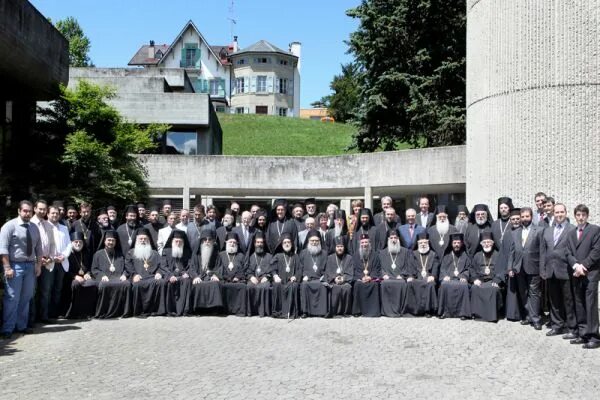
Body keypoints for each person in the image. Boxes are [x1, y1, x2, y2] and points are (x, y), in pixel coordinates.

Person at [0, 201, 43, 339]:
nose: (27, 213)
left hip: (30, 266)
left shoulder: (34, 227)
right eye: (25, 211)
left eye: (29, 211)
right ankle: (7, 328)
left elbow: (39, 249)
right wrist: (7, 267)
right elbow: (3, 249)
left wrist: (38, 266)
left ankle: (21, 326)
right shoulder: (9, 226)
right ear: (19, 211)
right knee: (12, 297)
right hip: (14, 266)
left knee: (26, 297)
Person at [540, 203, 578, 338]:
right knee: (554, 300)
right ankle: (557, 326)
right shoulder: (547, 230)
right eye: (556, 212)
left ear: (566, 213)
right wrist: (542, 269)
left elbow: (575, 251)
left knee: (568, 300)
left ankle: (572, 328)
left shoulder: (572, 229)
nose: (559, 215)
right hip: (550, 271)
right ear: (553, 214)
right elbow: (543, 251)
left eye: (561, 212)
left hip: (566, 270)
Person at [566, 204, 600, 349]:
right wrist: (575, 266)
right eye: (578, 215)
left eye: (583, 215)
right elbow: (568, 253)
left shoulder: (595, 230)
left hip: (590, 273)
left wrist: (583, 266)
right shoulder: (571, 233)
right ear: (575, 216)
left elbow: (596, 251)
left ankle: (594, 337)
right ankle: (583, 334)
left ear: (587, 216)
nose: (580, 218)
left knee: (590, 304)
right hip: (576, 272)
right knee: (579, 303)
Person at [507, 207, 543, 329]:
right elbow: (511, 251)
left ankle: (536, 319)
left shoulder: (539, 230)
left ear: (531, 217)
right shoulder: (515, 232)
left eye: (527, 216)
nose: (524, 219)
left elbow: (542, 252)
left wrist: (542, 268)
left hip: (534, 267)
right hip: (518, 268)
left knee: (534, 293)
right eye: (523, 217)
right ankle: (528, 316)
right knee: (523, 292)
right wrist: (510, 267)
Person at [39, 205, 71, 321]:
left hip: (62, 263)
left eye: (57, 213)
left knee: (58, 289)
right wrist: (50, 257)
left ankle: (54, 313)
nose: (55, 215)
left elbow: (69, 244)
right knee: (46, 289)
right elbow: (40, 245)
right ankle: (44, 315)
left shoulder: (64, 228)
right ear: (47, 214)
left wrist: (64, 256)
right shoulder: (42, 227)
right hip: (48, 263)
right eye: (52, 213)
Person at [126, 228, 167, 317]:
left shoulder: (155, 253)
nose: (143, 240)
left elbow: (161, 265)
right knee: (137, 285)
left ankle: (157, 310)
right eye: (141, 239)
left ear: (149, 240)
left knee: (161, 282)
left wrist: (159, 272)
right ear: (136, 240)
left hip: (152, 276)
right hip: (139, 277)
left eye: (145, 239)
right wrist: (134, 275)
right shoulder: (131, 252)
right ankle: (139, 311)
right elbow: (128, 266)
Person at [92, 230, 131, 319]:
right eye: (109, 240)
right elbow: (94, 269)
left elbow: (126, 268)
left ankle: (124, 312)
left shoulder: (120, 254)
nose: (111, 242)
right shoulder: (98, 254)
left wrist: (124, 274)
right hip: (105, 279)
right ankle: (104, 312)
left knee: (127, 284)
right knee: (104, 285)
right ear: (104, 241)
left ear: (116, 242)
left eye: (113, 240)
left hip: (118, 278)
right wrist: (102, 275)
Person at [470, 231, 504, 322]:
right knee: (474, 288)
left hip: (493, 280)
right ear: (481, 244)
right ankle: (477, 315)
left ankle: (492, 316)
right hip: (480, 280)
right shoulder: (477, 255)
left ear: (492, 243)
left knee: (493, 289)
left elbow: (502, 269)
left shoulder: (498, 254)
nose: (486, 244)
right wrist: (475, 279)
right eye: (484, 242)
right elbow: (472, 269)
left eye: (488, 242)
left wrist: (497, 280)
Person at [379, 230, 414, 317]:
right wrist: (383, 274)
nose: (393, 240)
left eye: (395, 238)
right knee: (384, 284)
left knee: (402, 283)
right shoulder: (382, 253)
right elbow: (379, 267)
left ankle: (400, 310)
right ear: (388, 239)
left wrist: (402, 275)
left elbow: (409, 266)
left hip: (400, 278)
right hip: (387, 278)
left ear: (398, 239)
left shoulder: (405, 252)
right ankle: (386, 311)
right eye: (391, 238)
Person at [437, 233, 471, 319]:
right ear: (451, 244)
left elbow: (468, 269)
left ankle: (463, 313)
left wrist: (464, 276)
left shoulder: (465, 256)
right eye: (454, 243)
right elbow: (442, 268)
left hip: (460, 279)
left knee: (464, 286)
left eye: (458, 243)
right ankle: (444, 312)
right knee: (444, 285)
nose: (456, 245)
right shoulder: (447, 255)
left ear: (461, 243)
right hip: (449, 278)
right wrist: (444, 276)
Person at [65, 231, 98, 319]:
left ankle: (88, 312)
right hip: (71, 278)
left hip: (85, 276)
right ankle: (74, 312)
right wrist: (75, 276)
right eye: (76, 242)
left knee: (93, 283)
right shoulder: (67, 254)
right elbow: (65, 270)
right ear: (71, 243)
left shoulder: (87, 253)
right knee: (76, 284)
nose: (78, 244)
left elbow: (92, 266)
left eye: (80, 242)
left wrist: (88, 273)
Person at [189, 229, 223, 313]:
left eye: (209, 239)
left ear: (212, 241)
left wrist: (215, 275)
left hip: (211, 276)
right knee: (197, 284)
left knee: (215, 284)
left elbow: (219, 267)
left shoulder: (216, 254)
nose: (207, 241)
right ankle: (198, 310)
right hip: (199, 276)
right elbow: (191, 268)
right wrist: (195, 277)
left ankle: (214, 309)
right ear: (201, 241)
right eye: (205, 239)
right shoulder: (196, 254)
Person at [406, 232, 439, 317]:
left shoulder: (433, 254)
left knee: (431, 284)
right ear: (418, 244)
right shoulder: (413, 254)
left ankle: (428, 310)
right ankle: (414, 310)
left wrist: (433, 276)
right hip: (417, 278)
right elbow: (410, 267)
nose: (423, 244)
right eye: (421, 243)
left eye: (425, 242)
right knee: (410, 283)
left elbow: (436, 266)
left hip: (429, 278)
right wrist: (410, 276)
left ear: (428, 243)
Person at [162, 229, 194, 316]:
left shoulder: (187, 252)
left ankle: (185, 310)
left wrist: (186, 273)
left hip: (183, 275)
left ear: (183, 242)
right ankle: (171, 310)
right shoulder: (166, 251)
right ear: (172, 241)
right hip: (170, 274)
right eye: (176, 241)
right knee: (169, 283)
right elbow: (163, 266)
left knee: (187, 281)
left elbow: (191, 265)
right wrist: (170, 275)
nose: (178, 243)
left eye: (180, 241)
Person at [270, 233, 302, 319]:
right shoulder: (277, 256)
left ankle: (291, 312)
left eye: (288, 242)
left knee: (295, 286)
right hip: (280, 280)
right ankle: (278, 312)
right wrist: (275, 276)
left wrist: (295, 276)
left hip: (290, 281)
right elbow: (272, 268)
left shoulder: (295, 256)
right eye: (285, 242)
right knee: (276, 285)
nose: (287, 244)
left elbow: (299, 269)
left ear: (292, 244)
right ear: (281, 244)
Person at [299, 230, 329, 318]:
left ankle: (322, 311)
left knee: (323, 286)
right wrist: (304, 276)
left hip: (320, 279)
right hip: (308, 279)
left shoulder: (324, 253)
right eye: (312, 241)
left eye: (316, 241)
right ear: (308, 241)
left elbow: (328, 268)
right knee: (304, 285)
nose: (314, 242)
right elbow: (300, 267)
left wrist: (324, 276)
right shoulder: (303, 253)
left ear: (320, 241)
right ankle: (305, 311)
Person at [351, 234, 381, 317]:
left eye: (366, 242)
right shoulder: (355, 256)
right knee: (357, 284)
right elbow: (354, 270)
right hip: (360, 279)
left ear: (369, 243)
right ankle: (358, 311)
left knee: (374, 284)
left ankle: (373, 311)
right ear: (360, 243)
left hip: (371, 279)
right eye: (362, 242)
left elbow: (377, 269)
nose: (364, 244)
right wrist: (362, 277)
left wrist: (370, 277)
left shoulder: (375, 255)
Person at [324, 236, 354, 317]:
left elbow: (351, 272)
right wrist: (335, 278)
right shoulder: (330, 258)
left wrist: (343, 278)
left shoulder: (349, 258)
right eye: (338, 246)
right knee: (335, 287)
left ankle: (346, 312)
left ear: (344, 247)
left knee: (347, 288)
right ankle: (335, 312)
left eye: (341, 246)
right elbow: (328, 271)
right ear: (335, 247)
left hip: (345, 281)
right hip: (334, 281)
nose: (339, 248)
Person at [219, 232, 247, 316]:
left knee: (242, 286)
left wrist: (238, 277)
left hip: (237, 280)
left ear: (237, 244)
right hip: (223, 279)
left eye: (234, 242)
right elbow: (217, 268)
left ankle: (239, 310)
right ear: (226, 242)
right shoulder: (220, 255)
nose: (232, 244)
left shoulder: (241, 255)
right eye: (230, 242)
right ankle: (222, 310)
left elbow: (244, 268)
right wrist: (225, 277)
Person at [246, 232, 273, 316]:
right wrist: (251, 277)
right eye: (258, 242)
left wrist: (267, 277)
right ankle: (252, 311)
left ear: (264, 244)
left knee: (264, 287)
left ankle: (263, 312)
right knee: (249, 286)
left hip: (265, 278)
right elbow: (247, 269)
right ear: (254, 243)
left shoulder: (269, 256)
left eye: (261, 242)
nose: (259, 244)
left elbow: (272, 269)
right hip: (254, 278)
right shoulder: (250, 256)